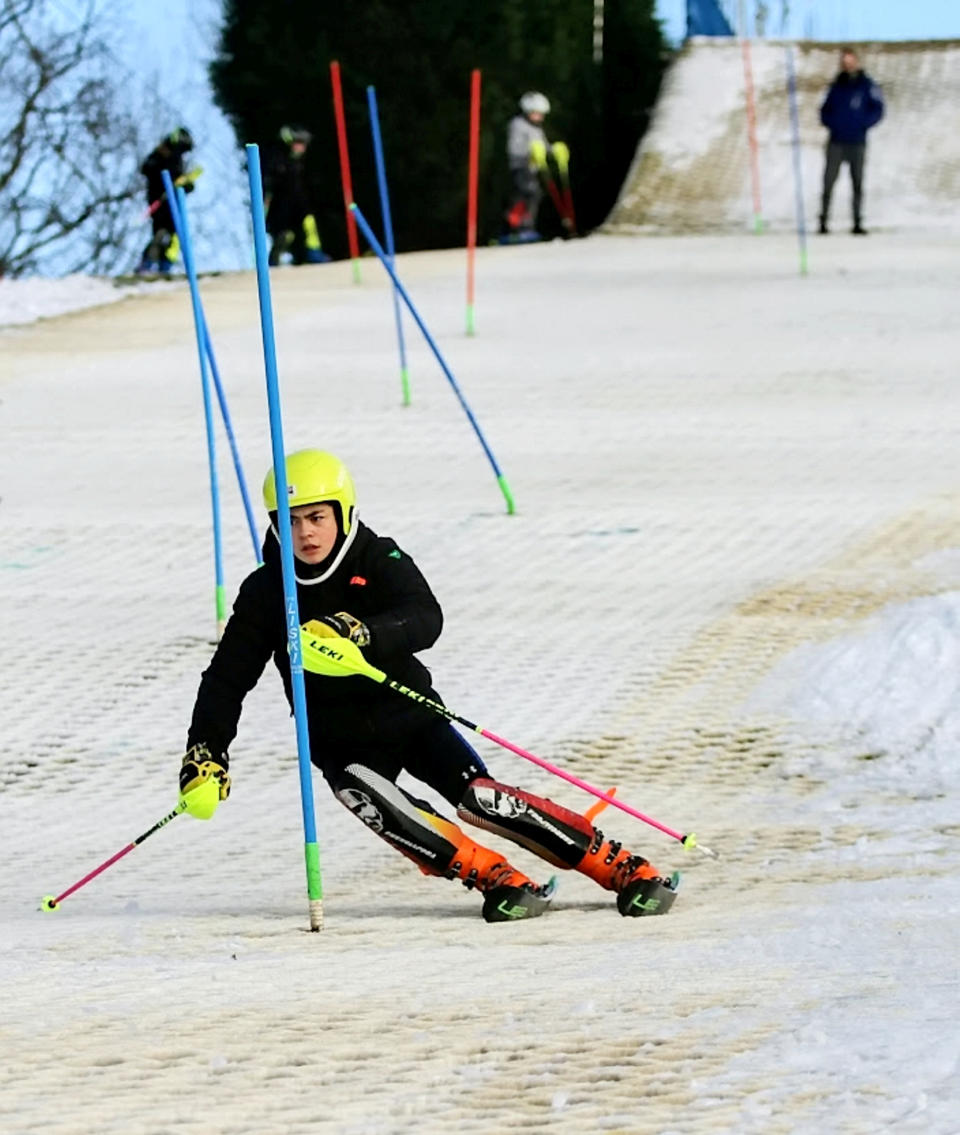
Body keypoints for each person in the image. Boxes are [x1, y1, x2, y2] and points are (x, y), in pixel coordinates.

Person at [180, 450, 679, 922]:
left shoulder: (378, 558)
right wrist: (206, 751)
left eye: (316, 517)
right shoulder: (267, 592)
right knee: (372, 796)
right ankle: (497, 879)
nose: (306, 534)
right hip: (338, 738)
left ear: (343, 512)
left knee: (481, 801)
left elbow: (426, 618)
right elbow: (226, 680)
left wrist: (362, 633)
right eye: (290, 521)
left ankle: (619, 866)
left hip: (410, 716)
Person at [818, 48, 884, 235]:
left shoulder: (867, 85)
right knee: (828, 182)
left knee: (857, 183)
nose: (848, 65)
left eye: (850, 61)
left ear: (857, 62)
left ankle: (857, 222)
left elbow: (878, 109)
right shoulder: (836, 86)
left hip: (857, 141)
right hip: (836, 141)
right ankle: (823, 221)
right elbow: (824, 110)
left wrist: (863, 124)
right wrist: (832, 123)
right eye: (844, 62)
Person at [264, 125, 330, 266]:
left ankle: (314, 254)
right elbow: (270, 184)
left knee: (309, 226)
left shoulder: (302, 163)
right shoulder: (278, 161)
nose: (302, 147)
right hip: (282, 208)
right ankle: (274, 260)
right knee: (284, 235)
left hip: (301, 207)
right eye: (299, 143)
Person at [137, 127, 196, 275]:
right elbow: (147, 169)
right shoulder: (159, 157)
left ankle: (165, 264)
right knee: (161, 232)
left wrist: (185, 184)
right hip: (160, 202)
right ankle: (148, 263)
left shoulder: (177, 160)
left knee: (173, 236)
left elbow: (182, 182)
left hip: (174, 202)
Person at [503, 91, 552, 242]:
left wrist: (553, 150)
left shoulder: (537, 128)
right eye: (537, 113)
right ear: (528, 111)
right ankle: (516, 228)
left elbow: (543, 146)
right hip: (520, 166)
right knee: (528, 193)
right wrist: (530, 152)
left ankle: (525, 228)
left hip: (532, 169)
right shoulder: (518, 125)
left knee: (534, 195)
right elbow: (514, 149)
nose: (540, 117)